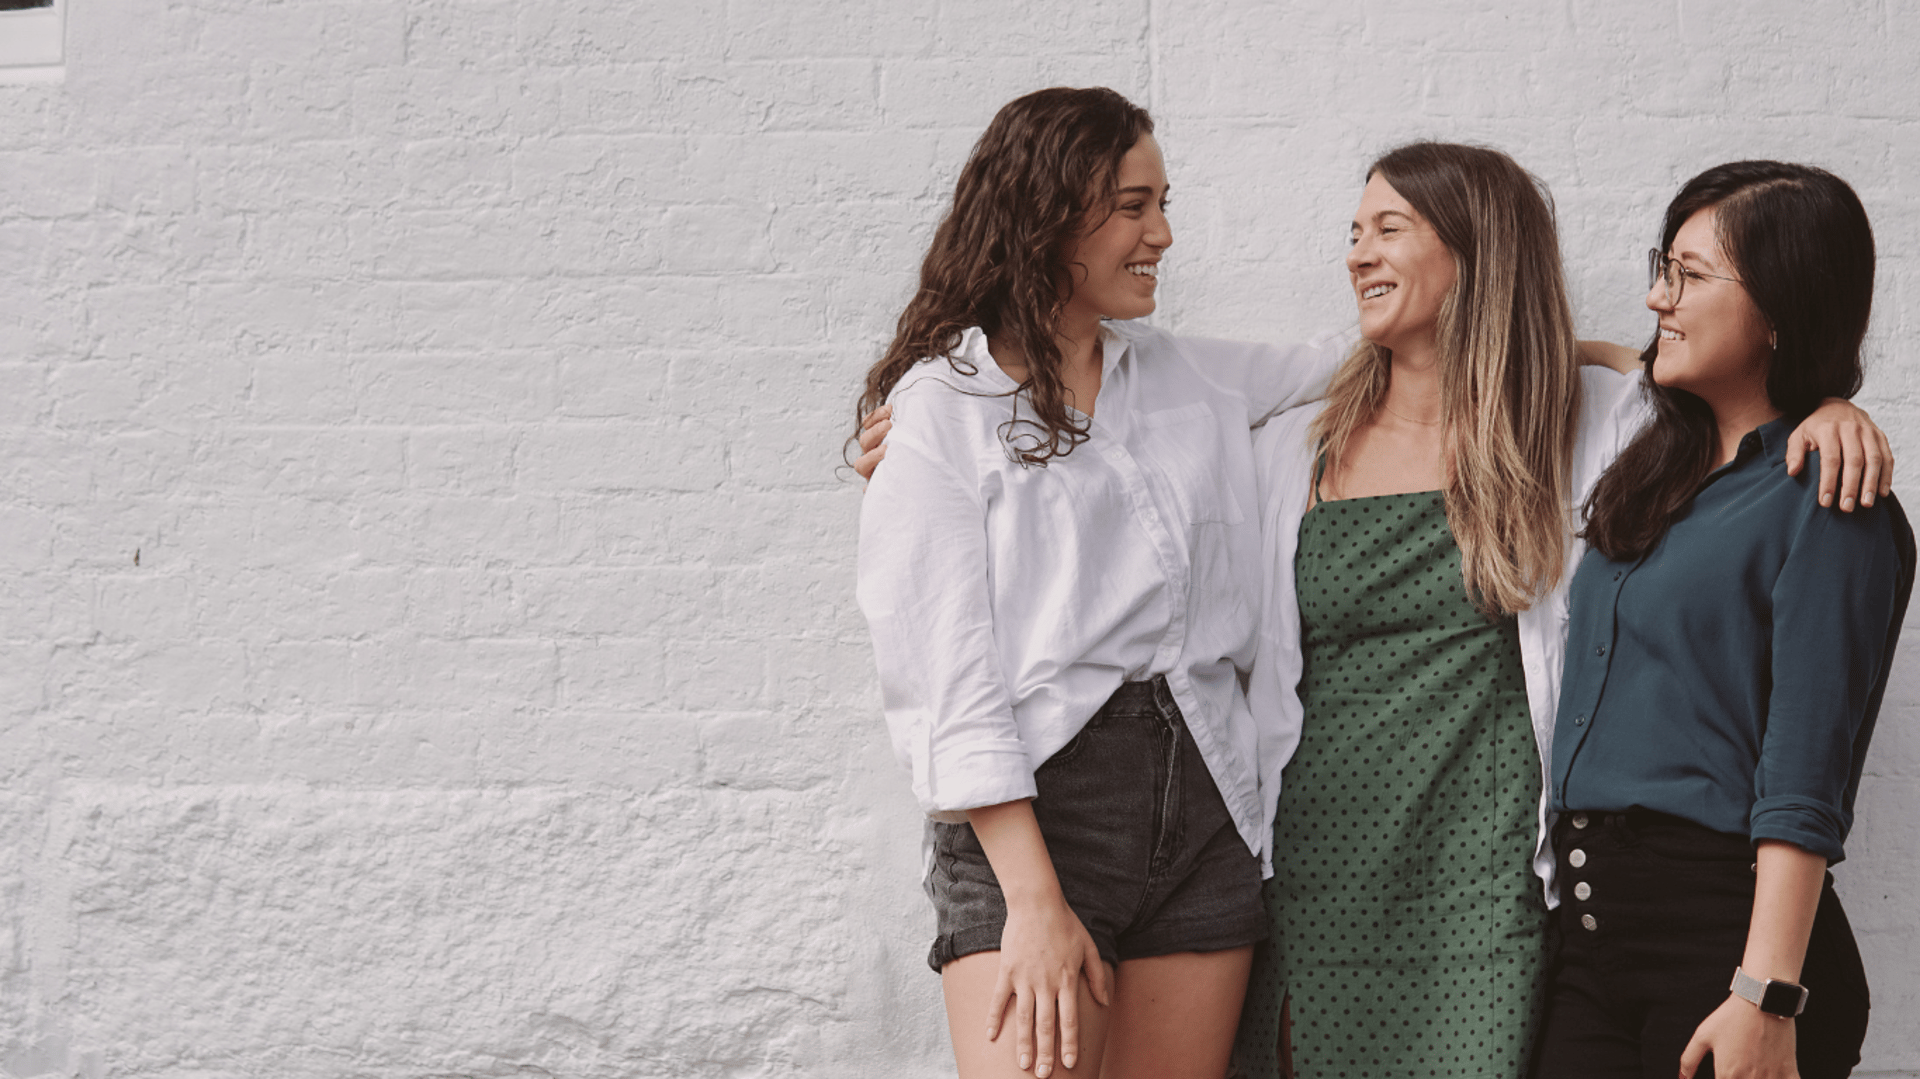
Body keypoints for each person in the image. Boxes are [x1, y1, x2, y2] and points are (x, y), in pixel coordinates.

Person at [1223, 144, 1895, 1079]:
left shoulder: (1647, 441)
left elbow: (1807, 772)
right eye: (1353, 231)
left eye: (1389, 228)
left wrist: (1831, 406)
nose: (1357, 253)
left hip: (1584, 900)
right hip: (1478, 898)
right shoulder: (1299, 445)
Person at [853, 86, 1354, 1079]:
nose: (1162, 233)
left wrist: (1594, 360)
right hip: (1038, 812)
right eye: (1133, 206)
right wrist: (1034, 902)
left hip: (1207, 791)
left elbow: (1369, 362)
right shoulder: (944, 411)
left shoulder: (1189, 376)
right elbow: (945, 676)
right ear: (1046, 214)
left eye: (1163, 203)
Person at [1531, 161, 1913, 1079]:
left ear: (1781, 307)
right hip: (1590, 934)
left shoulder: (1825, 494)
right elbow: (1606, 357)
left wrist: (1766, 993)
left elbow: (1806, 771)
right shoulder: (1658, 465)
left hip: (1728, 941)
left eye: (1690, 276)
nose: (1659, 297)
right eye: (1663, 267)